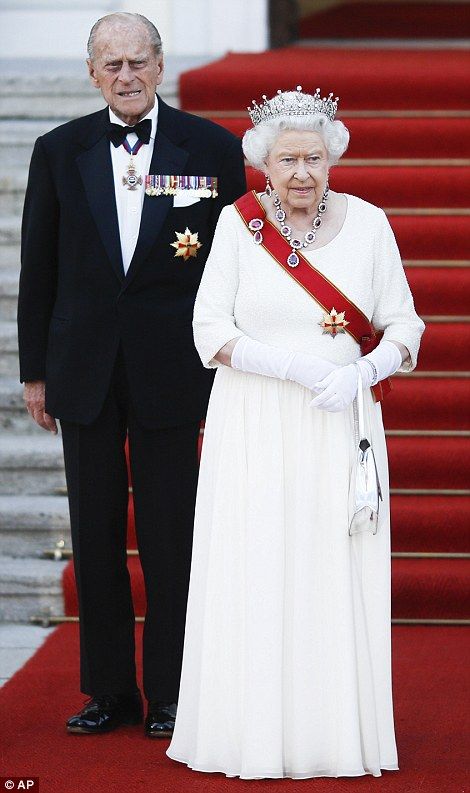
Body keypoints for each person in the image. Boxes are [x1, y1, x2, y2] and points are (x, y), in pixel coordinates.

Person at [167, 87, 425, 778]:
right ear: (264, 164)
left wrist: (362, 369)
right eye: (287, 160)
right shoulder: (236, 225)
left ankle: (334, 736)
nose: (302, 173)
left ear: (333, 155)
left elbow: (406, 325)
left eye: (314, 157)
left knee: (328, 572)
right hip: (252, 422)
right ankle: (247, 733)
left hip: (338, 423)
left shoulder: (371, 225)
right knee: (255, 569)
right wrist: (287, 364)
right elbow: (208, 328)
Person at [17, 12, 246, 738]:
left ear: (160, 63)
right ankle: (109, 690)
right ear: (91, 72)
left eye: (137, 61)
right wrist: (33, 372)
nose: (125, 75)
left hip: (172, 368)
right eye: (110, 63)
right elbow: (38, 269)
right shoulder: (59, 150)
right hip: (81, 368)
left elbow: (233, 265)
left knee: (171, 535)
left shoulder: (211, 148)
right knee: (94, 534)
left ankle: (174, 691)